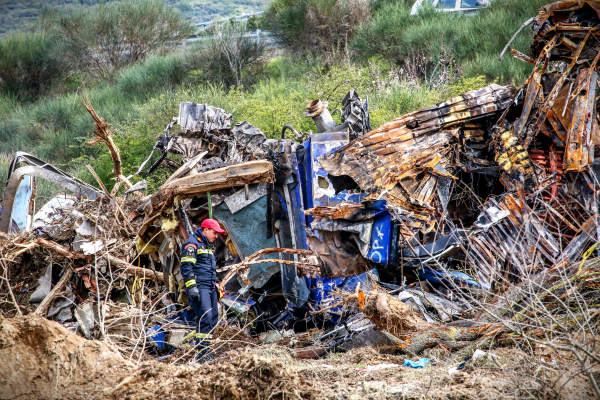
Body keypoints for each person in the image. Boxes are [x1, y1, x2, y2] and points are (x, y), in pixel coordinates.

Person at [180, 218, 226, 362]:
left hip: (210, 287)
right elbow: (186, 267)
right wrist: (192, 287)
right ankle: (202, 353)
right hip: (200, 288)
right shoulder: (191, 244)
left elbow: (208, 268)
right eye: (214, 232)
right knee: (205, 317)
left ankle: (206, 350)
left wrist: (216, 285)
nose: (216, 236)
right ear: (205, 229)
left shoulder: (206, 245)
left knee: (212, 318)